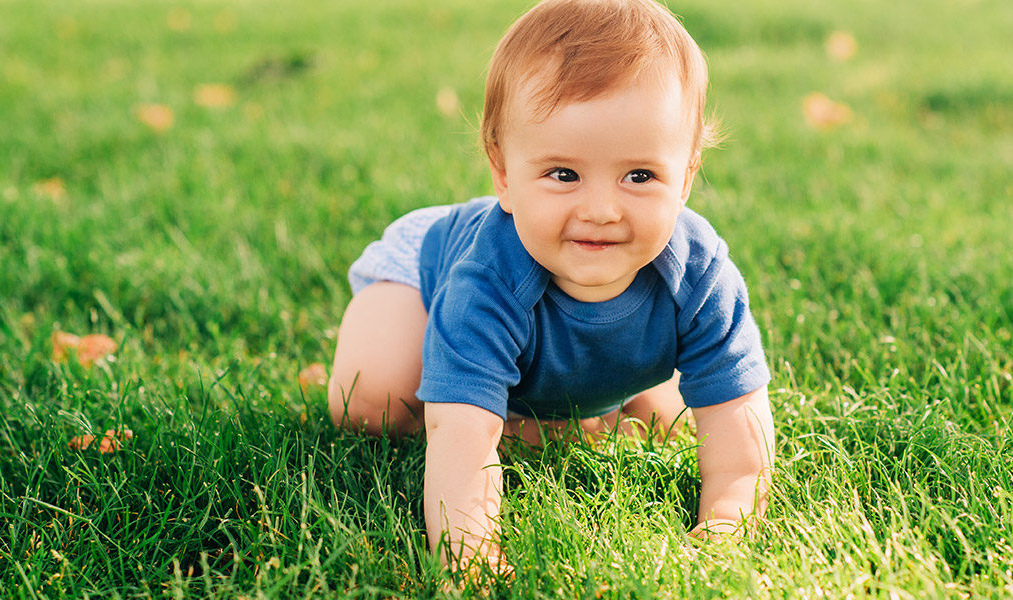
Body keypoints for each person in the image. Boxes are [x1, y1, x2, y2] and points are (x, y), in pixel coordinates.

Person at [328, 0, 775, 571]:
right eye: (563, 174)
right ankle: (509, 406)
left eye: (640, 176)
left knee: (675, 421)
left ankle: (573, 410)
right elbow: (460, 441)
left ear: (685, 177)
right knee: (372, 404)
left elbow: (740, 440)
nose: (601, 210)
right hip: (424, 273)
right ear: (504, 175)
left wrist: (724, 531)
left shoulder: (699, 275)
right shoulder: (486, 281)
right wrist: (472, 559)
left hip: (561, 316)